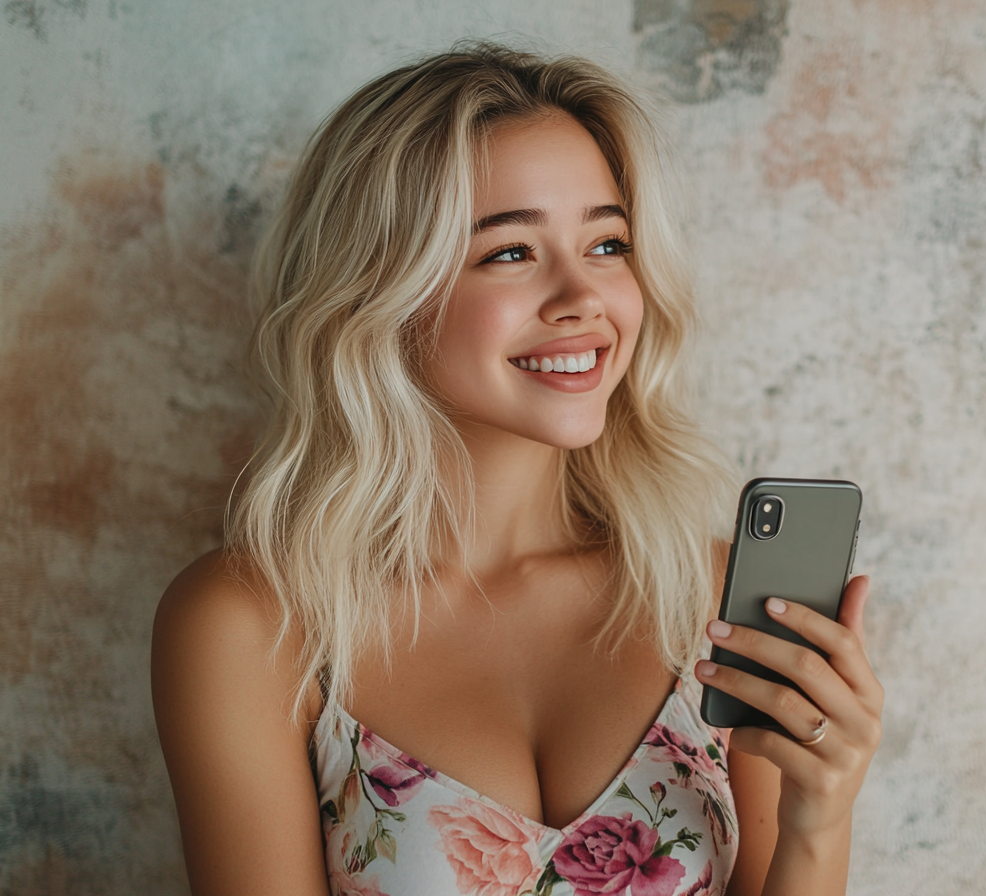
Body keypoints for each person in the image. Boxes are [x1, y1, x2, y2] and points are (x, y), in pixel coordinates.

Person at [152, 43, 883, 896]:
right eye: (510, 252)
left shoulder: (713, 599)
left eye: (608, 243)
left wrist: (820, 814)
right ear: (379, 294)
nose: (584, 296)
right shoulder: (254, 625)